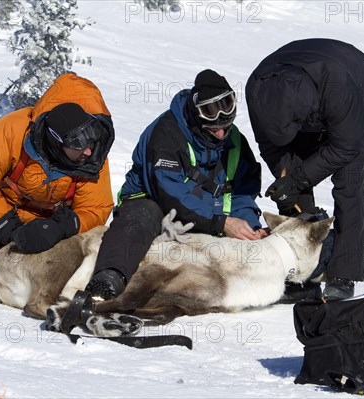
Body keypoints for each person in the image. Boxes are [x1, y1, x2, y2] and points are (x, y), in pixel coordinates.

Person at [85, 69, 267, 300]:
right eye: (213, 128)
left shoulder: (235, 142)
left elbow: (241, 192)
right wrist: (220, 222)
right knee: (142, 215)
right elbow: (170, 194)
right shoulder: (166, 134)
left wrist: (248, 226)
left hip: (209, 218)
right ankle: (109, 278)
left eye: (226, 126)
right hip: (155, 205)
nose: (221, 133)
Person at [246, 39, 364, 301]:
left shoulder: (338, 91)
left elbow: (346, 147)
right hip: (310, 92)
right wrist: (286, 180)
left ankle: (343, 274)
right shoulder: (257, 89)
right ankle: (301, 268)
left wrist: (299, 178)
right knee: (291, 181)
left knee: (348, 183)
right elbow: (269, 143)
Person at [0, 73, 115, 279]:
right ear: (56, 139)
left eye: (91, 143)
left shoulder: (93, 155)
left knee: (58, 277)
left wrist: (63, 226)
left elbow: (96, 208)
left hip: (52, 225)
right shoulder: (9, 130)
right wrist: (10, 229)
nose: (87, 151)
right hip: (0, 214)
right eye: (78, 144)